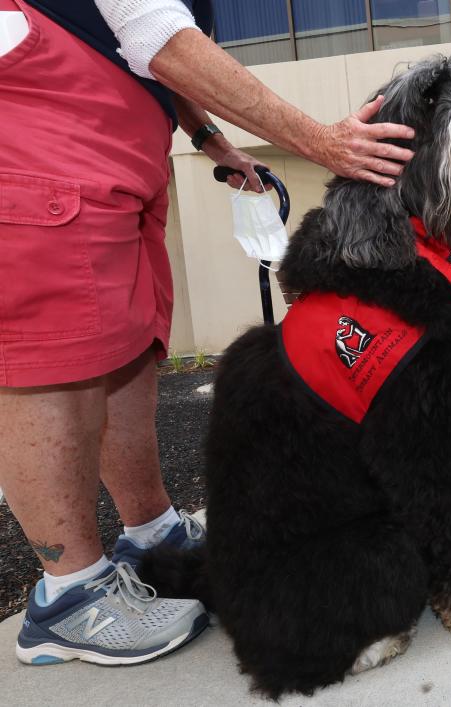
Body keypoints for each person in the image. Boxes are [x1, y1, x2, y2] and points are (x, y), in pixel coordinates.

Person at [0, 0, 415, 667]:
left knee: (125, 341)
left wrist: (207, 138)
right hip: (41, 136)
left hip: (118, 148)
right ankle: (68, 593)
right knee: (57, 351)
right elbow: (160, 37)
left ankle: (150, 530)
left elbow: (143, 57)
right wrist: (322, 141)